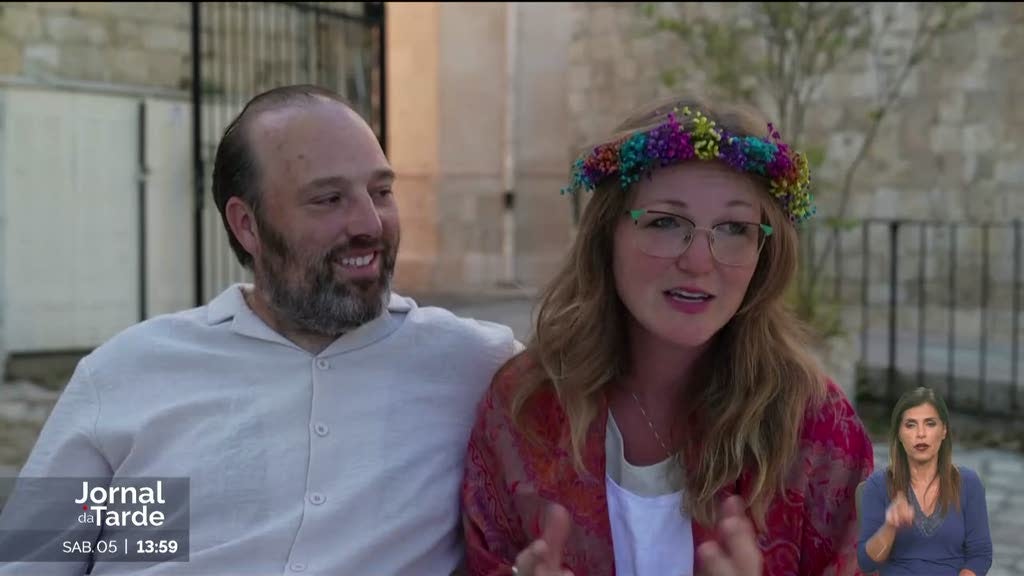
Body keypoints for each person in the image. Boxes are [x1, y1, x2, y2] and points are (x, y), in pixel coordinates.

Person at [0, 85, 519, 575]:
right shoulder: (132, 376)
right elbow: (39, 558)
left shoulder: (476, 367)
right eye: (328, 199)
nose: (370, 223)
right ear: (246, 224)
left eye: (381, 191)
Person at [460, 94, 875, 576]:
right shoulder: (524, 410)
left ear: (765, 252)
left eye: (734, 228)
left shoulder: (817, 431)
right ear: (606, 236)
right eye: (665, 222)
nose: (699, 261)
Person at [857, 387, 992, 575]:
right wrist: (889, 528)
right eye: (910, 425)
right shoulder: (878, 485)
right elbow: (866, 564)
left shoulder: (969, 483)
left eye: (930, 424)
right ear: (899, 434)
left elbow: (980, 555)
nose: (921, 433)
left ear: (943, 430)